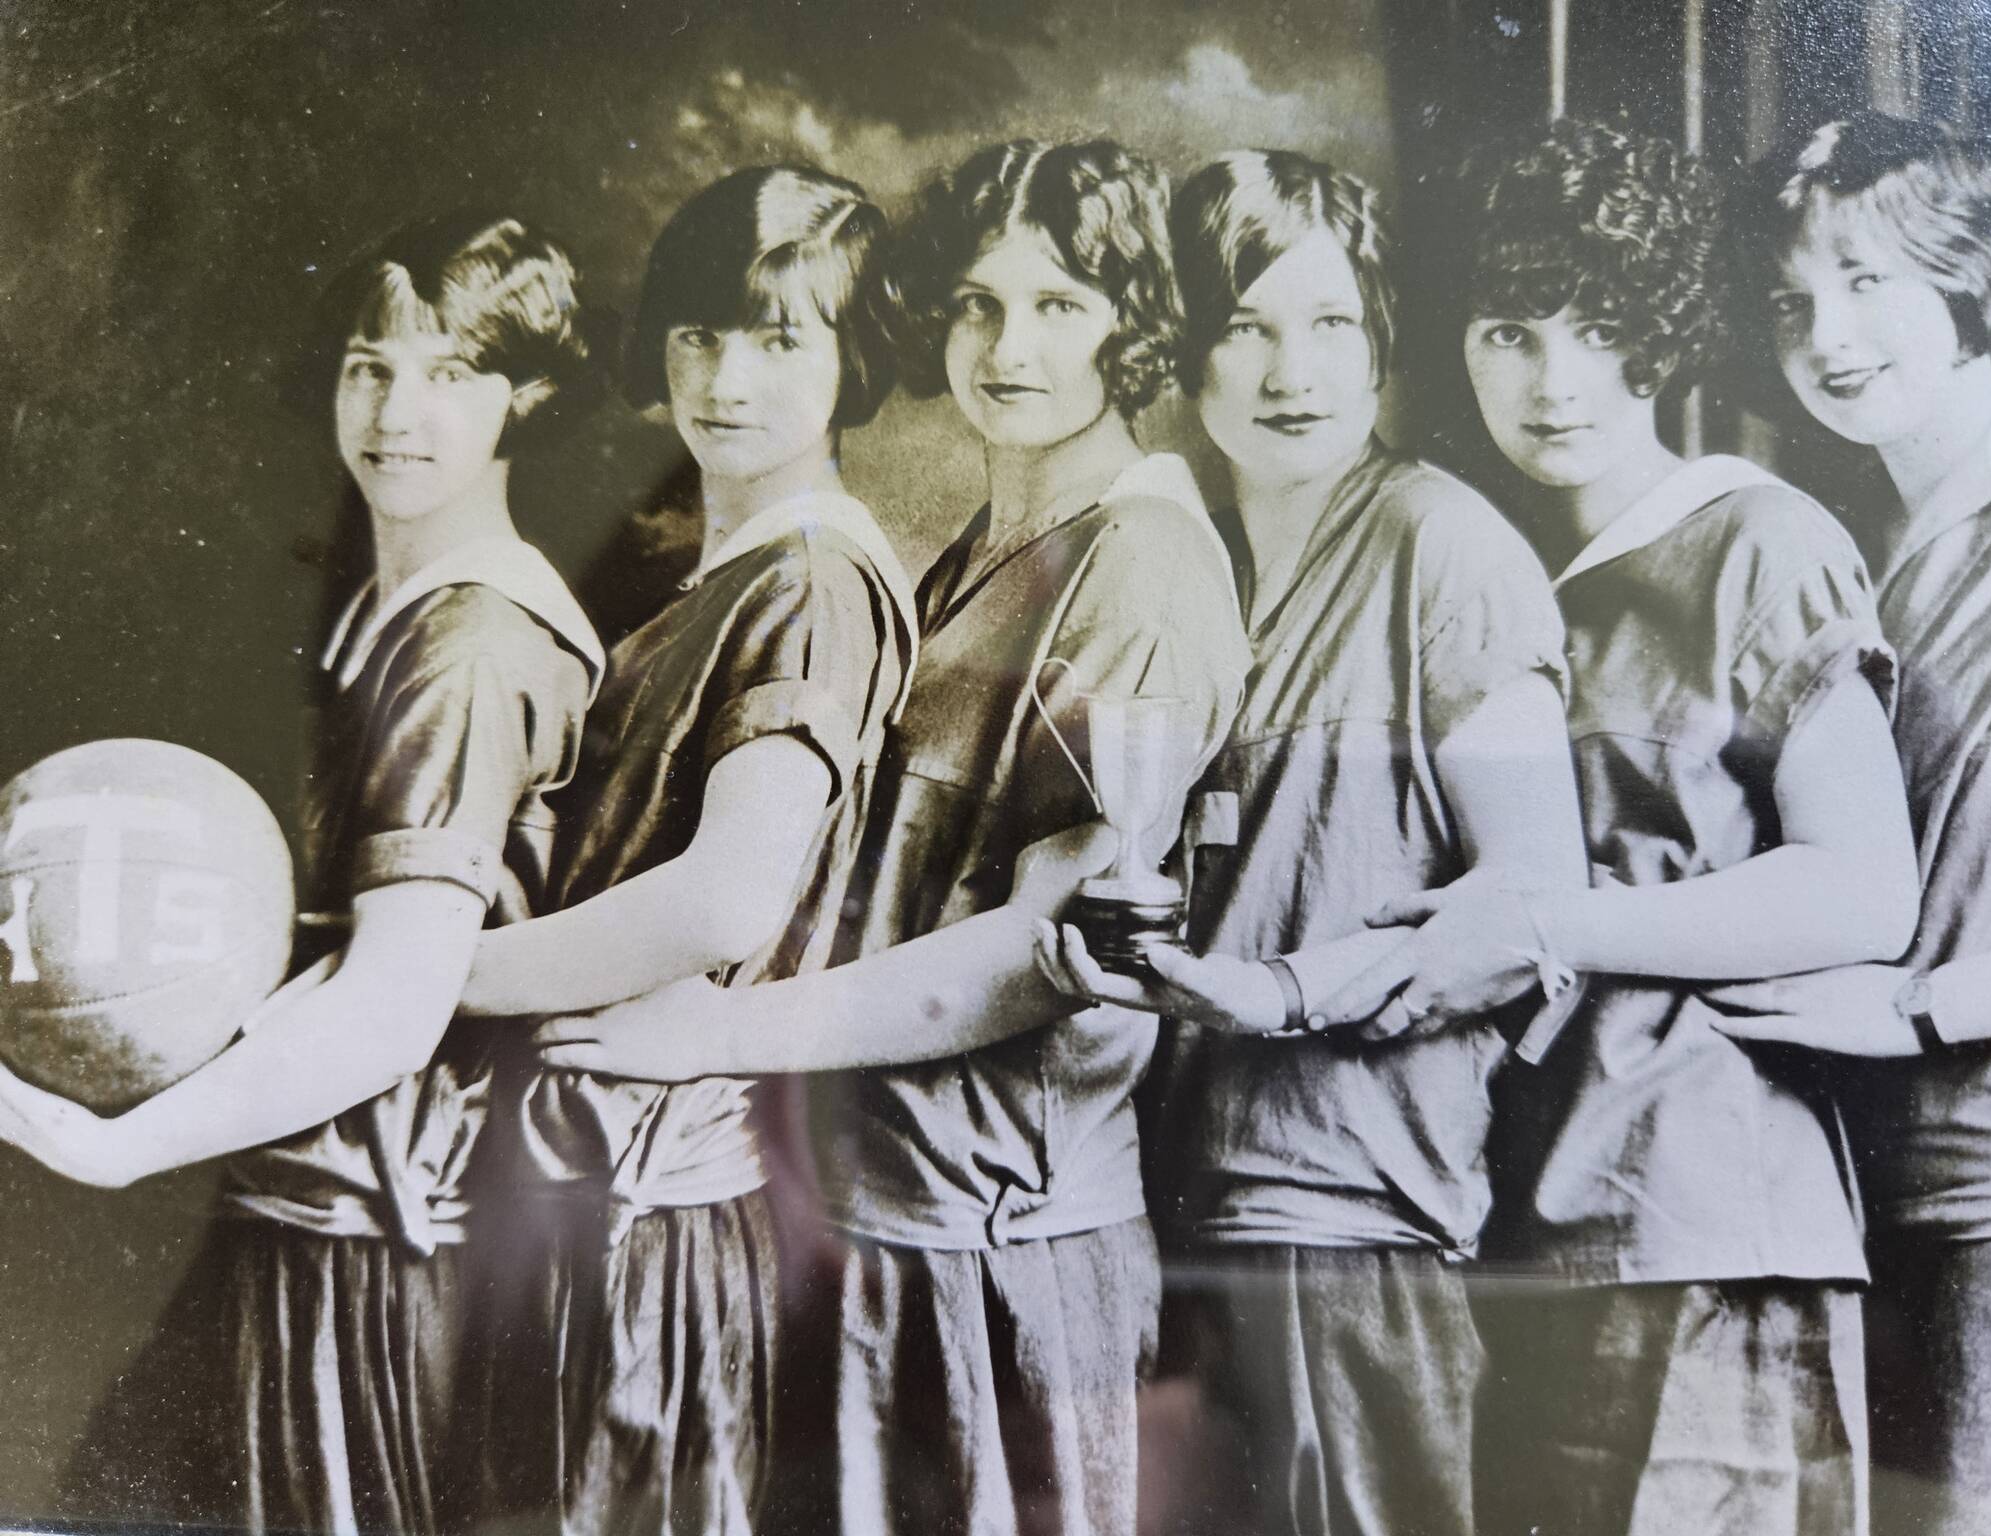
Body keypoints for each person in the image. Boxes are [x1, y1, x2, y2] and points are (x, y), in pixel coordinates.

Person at [532, 139, 1251, 1536]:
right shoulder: (980, 545)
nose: (1006, 345)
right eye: (978, 304)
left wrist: (716, 1033)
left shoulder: (1144, 563)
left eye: (1060, 306)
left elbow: (1043, 956)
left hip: (1005, 1246)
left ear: (1134, 323)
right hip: (874, 1220)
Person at [0, 214, 607, 1533]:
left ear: (527, 396)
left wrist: (116, 1148)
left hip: (380, 1247)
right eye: (367, 364)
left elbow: (392, 1004)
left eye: (450, 371)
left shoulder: (472, 642)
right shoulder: (387, 601)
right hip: (300, 1208)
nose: (397, 410)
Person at [1031, 148, 1587, 1536]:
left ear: (1381, 341)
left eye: (1332, 324)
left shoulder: (1444, 549)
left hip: (1349, 1210)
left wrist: (1284, 992)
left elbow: (1535, 897)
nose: (1296, 372)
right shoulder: (1185, 554)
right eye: (1248, 324)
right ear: (1186, 347)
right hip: (1165, 1202)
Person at [1402, 119, 1920, 1536]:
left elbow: (1865, 891)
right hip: (1527, 1205)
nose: (1555, 380)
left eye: (1599, 327)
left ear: (1665, 330)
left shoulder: (1758, 538)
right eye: (1511, 331)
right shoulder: (1494, 573)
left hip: (1700, 1201)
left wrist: (1545, 923)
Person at [446, 167, 918, 1535]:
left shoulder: (817, 583)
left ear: (853, 360)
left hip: (654, 1203)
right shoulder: (726, 565)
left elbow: (728, 900)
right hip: (586, 1180)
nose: (728, 378)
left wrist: (436, 978)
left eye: (784, 340)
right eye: (702, 333)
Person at [1718, 111, 1991, 1536]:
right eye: (1792, 299)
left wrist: (1924, 1011)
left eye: (1866, 279)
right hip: (1851, 1185)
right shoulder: (1836, 541)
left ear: (1968, 275)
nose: (1826, 335)